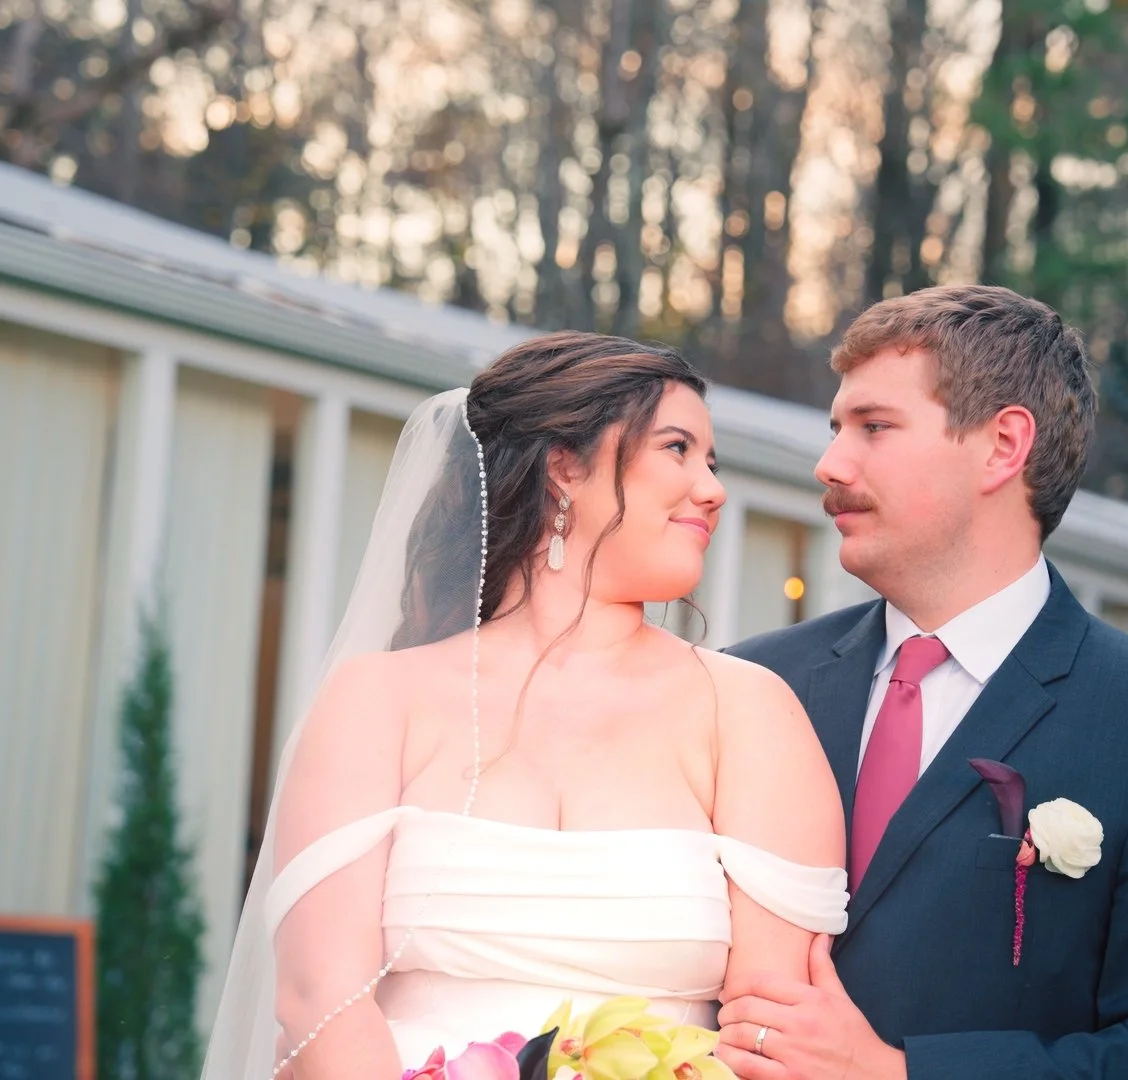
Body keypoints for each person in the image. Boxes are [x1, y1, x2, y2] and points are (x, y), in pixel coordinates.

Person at [201, 332, 849, 1079]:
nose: (712, 489)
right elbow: (320, 998)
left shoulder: (748, 711)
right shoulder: (378, 699)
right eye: (677, 448)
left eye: (713, 462)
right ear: (563, 467)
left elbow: (772, 1026)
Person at [714, 285, 1128, 1079]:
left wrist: (897, 1073)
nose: (830, 464)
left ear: (1003, 446)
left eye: (874, 427)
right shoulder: (752, 684)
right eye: (837, 429)